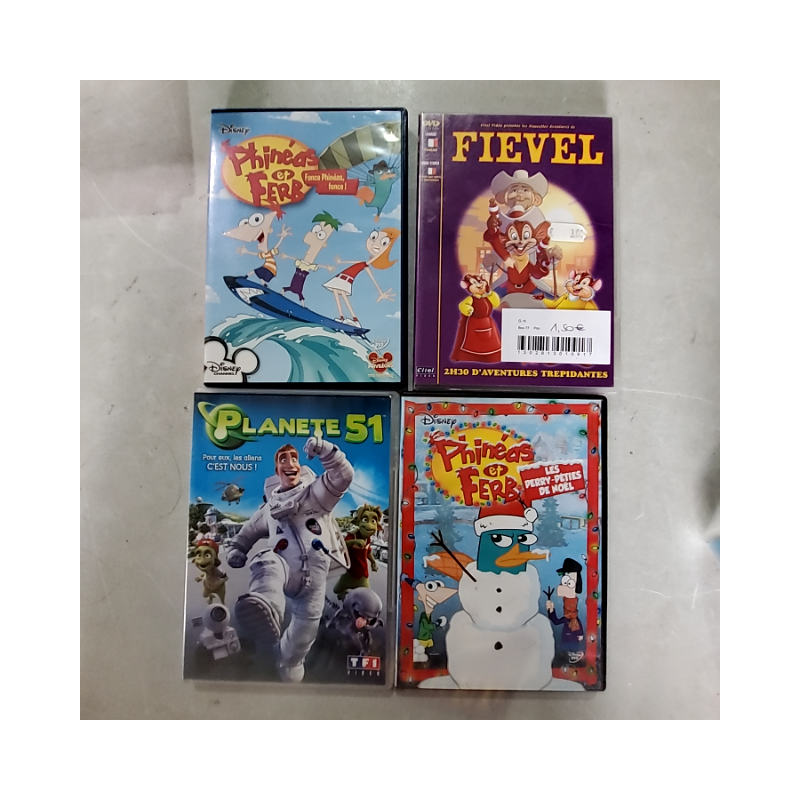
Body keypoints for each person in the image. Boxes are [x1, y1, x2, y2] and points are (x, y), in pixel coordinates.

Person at [226, 437, 353, 682]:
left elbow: (343, 476)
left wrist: (326, 450)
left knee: (306, 630)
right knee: (266, 561)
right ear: (277, 470)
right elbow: (248, 532)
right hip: (283, 568)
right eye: (283, 459)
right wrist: (237, 549)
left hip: (315, 580)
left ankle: (289, 659)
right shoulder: (268, 510)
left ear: (300, 465)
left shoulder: (316, 494)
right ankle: (267, 605)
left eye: (294, 458)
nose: (290, 462)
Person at [323, 228, 399, 326]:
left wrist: (380, 292)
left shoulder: (366, 265)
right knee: (336, 292)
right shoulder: (362, 262)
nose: (375, 243)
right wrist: (341, 262)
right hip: (340, 277)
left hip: (346, 280)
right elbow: (353, 262)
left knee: (343, 296)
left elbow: (373, 278)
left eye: (383, 242)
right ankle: (341, 317)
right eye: (374, 237)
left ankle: (355, 319)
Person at [280, 211, 340, 306]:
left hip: (303, 271)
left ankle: (302, 305)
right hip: (301, 270)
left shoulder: (311, 258)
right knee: (295, 289)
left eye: (319, 234)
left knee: (298, 291)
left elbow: (316, 265)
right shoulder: (305, 260)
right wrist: (286, 256)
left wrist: (327, 268)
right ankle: (296, 301)